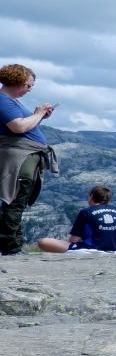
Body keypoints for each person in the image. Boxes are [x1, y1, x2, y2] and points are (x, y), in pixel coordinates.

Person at [0, 63, 60, 255]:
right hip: (19, 158)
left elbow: (26, 124)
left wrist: (40, 117)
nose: (30, 89)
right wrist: (39, 113)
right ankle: (10, 246)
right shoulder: (4, 101)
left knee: (18, 199)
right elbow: (18, 127)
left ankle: (13, 244)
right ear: (17, 81)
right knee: (15, 199)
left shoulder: (12, 102)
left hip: (26, 156)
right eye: (28, 85)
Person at [37, 186, 116, 254]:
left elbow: (73, 240)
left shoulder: (86, 212)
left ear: (91, 196)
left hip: (90, 251)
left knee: (44, 242)